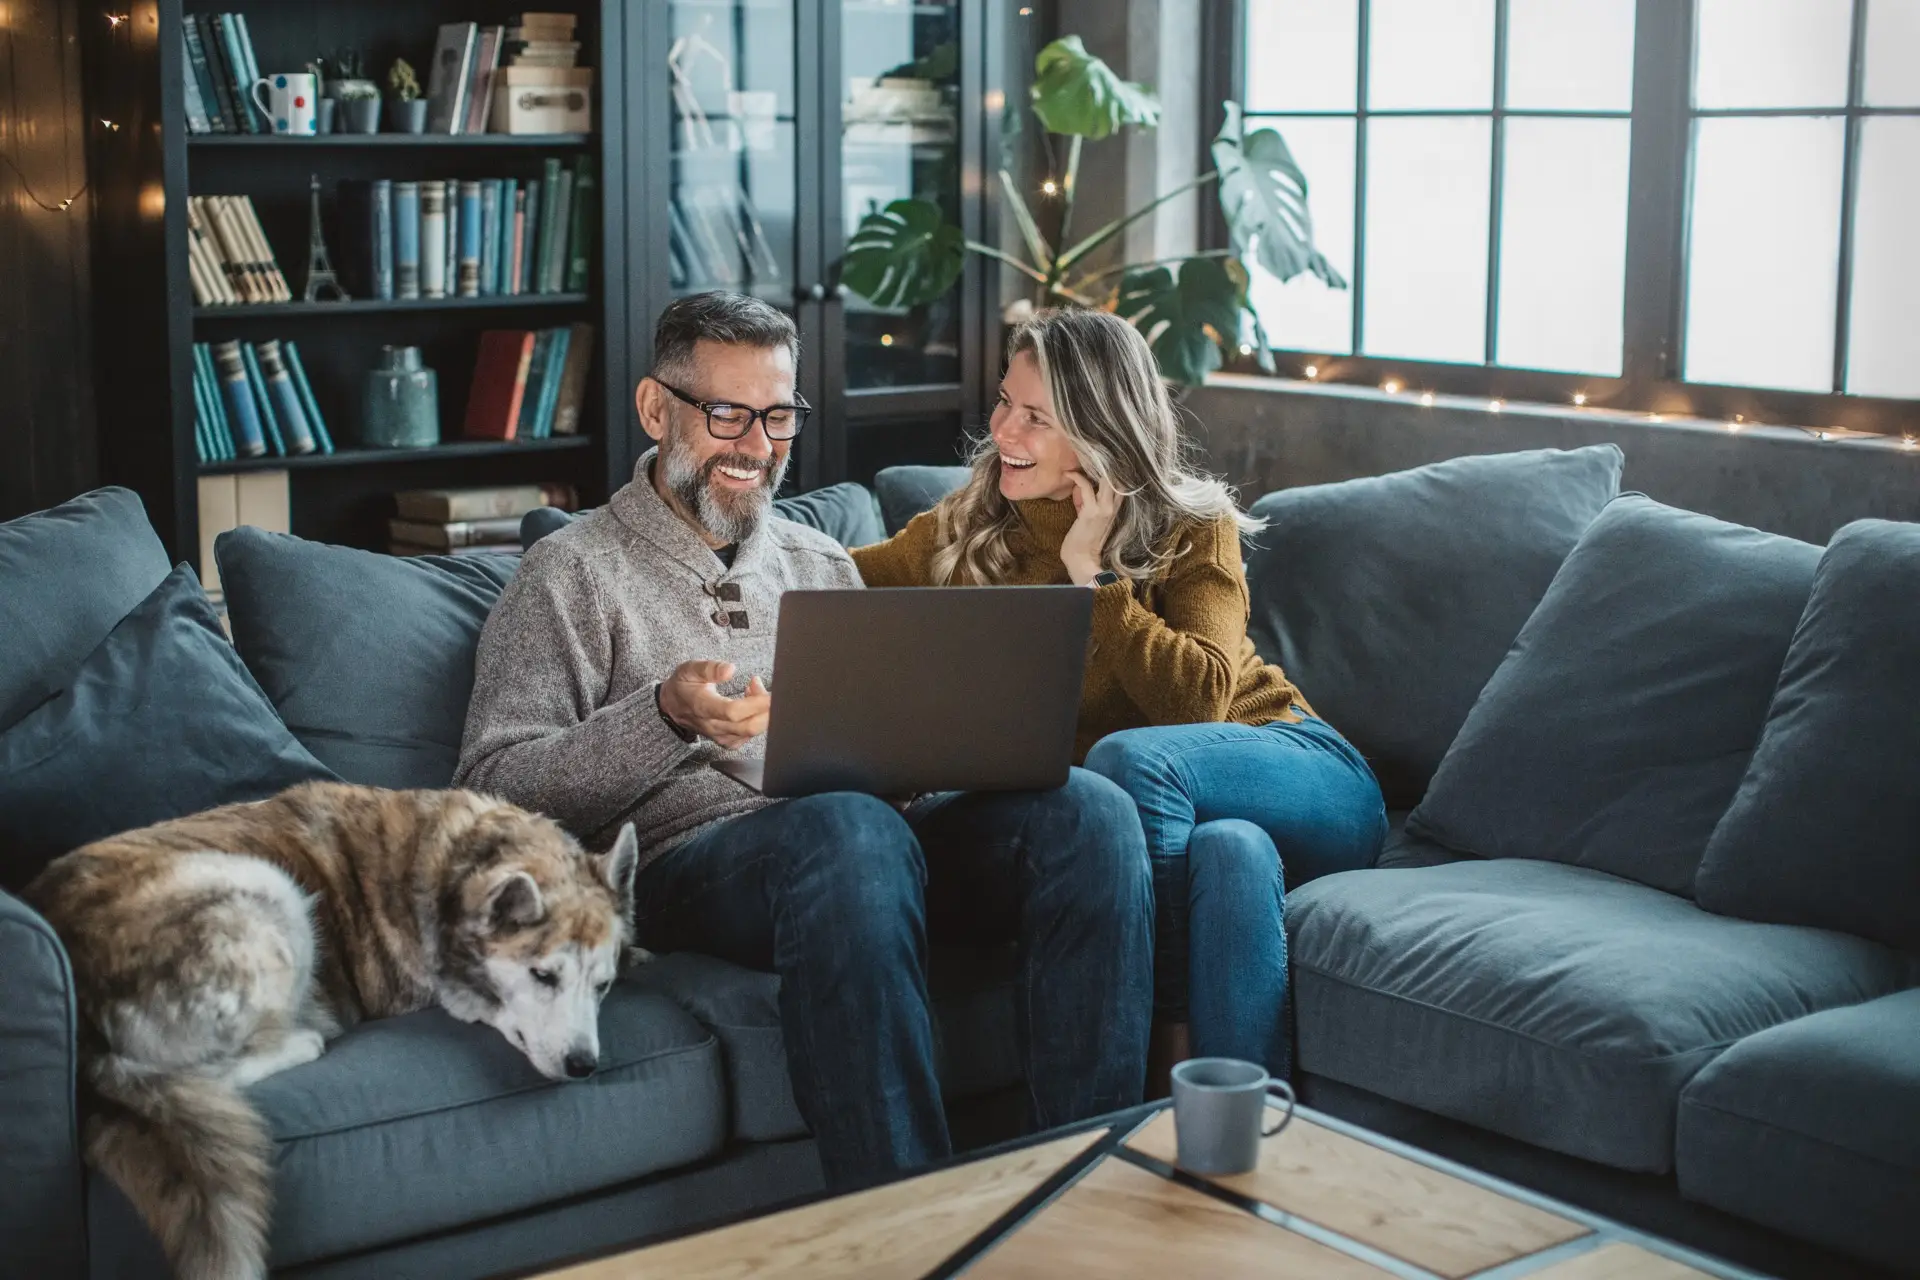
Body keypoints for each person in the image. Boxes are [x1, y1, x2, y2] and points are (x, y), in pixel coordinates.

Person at [455, 292, 1153, 1188]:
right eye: (727, 414)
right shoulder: (570, 572)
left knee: (1088, 808)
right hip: (691, 865)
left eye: (778, 415)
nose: (757, 445)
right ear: (655, 409)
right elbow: (493, 786)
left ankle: (1090, 1191)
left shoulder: (820, 565)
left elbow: (879, 756)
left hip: (867, 843)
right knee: (848, 831)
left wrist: (926, 758)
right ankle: (907, 1224)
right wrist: (662, 716)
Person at [850, 308, 1385, 1079]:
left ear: (1101, 431)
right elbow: (826, 581)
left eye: (1036, 417)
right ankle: (1240, 1134)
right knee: (1229, 855)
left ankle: (1163, 1039)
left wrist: (1092, 576)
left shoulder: (1190, 525)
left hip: (1302, 771)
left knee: (1133, 762)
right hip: (1208, 824)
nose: (1003, 429)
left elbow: (1197, 704)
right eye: (1005, 401)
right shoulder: (965, 529)